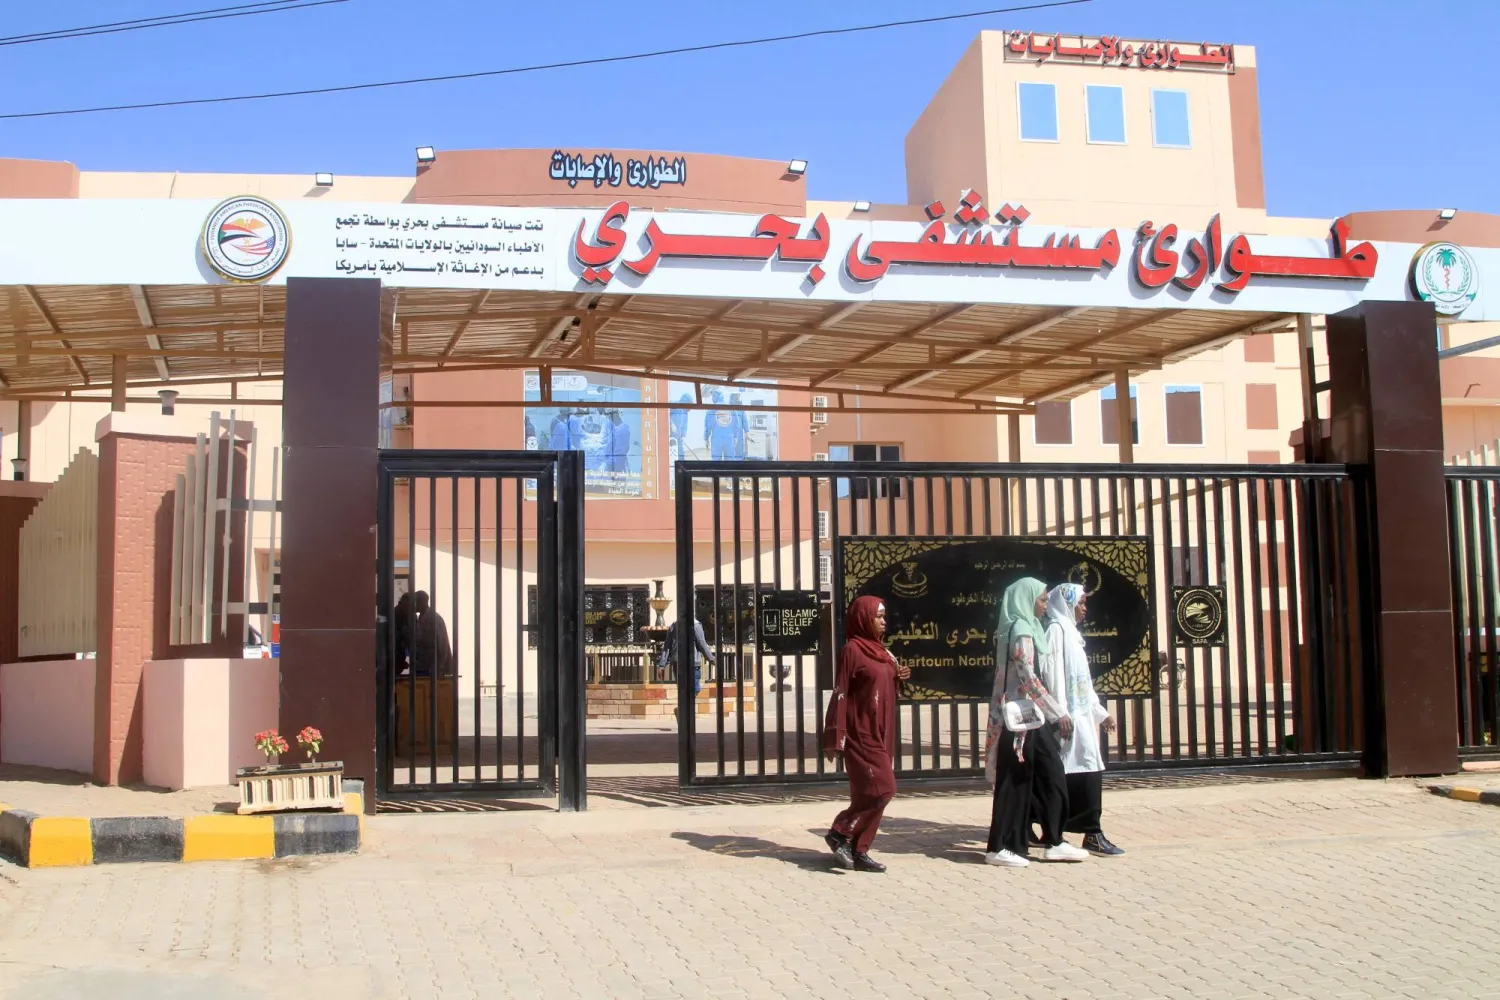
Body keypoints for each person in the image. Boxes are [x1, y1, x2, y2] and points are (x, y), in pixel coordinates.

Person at [983, 578, 1088, 867]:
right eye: (1041, 600)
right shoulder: (1021, 630)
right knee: (1014, 782)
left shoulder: (1030, 628)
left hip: (1032, 718)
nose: (1044, 605)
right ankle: (1000, 846)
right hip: (1019, 720)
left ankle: (1054, 840)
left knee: (1050, 774)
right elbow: (1028, 678)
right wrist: (1058, 712)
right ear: (1026, 600)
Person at [823, 596, 911, 873]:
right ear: (864, 617)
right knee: (884, 789)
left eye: (884, 616)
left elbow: (881, 687)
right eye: (879, 616)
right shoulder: (853, 650)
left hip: (882, 730)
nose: (884, 621)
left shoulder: (883, 652)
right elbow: (841, 692)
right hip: (861, 732)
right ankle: (840, 831)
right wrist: (834, 736)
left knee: (866, 795)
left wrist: (898, 677)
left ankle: (859, 850)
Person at [1039, 584, 1125, 857]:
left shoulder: (1071, 633)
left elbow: (1083, 684)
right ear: (1068, 603)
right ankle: (1088, 833)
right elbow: (1052, 676)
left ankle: (1080, 831)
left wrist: (1101, 714)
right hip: (1067, 718)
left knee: (1083, 769)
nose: (1085, 608)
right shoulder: (1056, 630)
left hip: (1080, 716)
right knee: (1076, 774)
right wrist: (1059, 714)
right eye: (1081, 602)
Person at [661, 615, 716, 720]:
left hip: (677, 662)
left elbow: (666, 647)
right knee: (695, 688)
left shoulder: (674, 625)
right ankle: (683, 711)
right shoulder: (695, 625)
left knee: (683, 690)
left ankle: (682, 712)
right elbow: (701, 643)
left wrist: (662, 664)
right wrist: (711, 659)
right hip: (692, 663)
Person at [410, 590, 454, 679]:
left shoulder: (433, 619)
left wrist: (440, 666)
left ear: (422, 602)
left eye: (416, 602)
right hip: (425, 667)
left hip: (435, 668)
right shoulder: (421, 618)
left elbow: (442, 644)